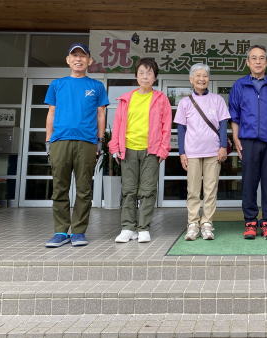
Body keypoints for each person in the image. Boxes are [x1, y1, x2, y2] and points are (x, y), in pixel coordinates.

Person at [44, 43, 109, 247]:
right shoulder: (57, 84)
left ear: (89, 61)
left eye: (82, 56)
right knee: (59, 188)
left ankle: (79, 232)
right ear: (68, 60)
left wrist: (100, 140)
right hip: (60, 141)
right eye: (74, 55)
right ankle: (61, 231)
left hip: (87, 142)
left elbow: (101, 114)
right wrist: (48, 140)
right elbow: (51, 112)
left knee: (83, 189)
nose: (78, 59)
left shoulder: (96, 86)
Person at [108, 58, 172, 243]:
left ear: (155, 77)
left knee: (148, 190)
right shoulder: (127, 98)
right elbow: (117, 124)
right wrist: (114, 148)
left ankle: (143, 228)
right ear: (136, 76)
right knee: (128, 190)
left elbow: (166, 126)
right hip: (128, 149)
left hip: (151, 150)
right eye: (141, 73)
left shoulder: (161, 98)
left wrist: (163, 150)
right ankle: (127, 228)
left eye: (149, 73)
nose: (145, 76)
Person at [229, 45, 267, 240]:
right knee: (249, 183)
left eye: (262, 58)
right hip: (248, 140)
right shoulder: (239, 85)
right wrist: (236, 138)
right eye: (254, 58)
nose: (258, 61)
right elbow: (234, 114)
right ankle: (250, 222)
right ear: (247, 62)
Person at [174, 63, 230, 241]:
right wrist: (182, 153)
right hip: (192, 152)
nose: (201, 79)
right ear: (191, 80)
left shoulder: (217, 99)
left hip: (213, 151)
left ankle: (207, 223)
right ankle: (192, 223)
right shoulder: (184, 102)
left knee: (210, 189)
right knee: (192, 190)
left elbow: (223, 125)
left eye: (205, 75)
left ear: (208, 79)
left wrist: (223, 146)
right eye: (198, 76)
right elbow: (181, 129)